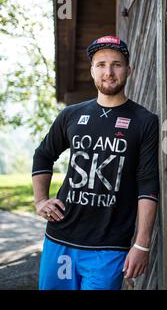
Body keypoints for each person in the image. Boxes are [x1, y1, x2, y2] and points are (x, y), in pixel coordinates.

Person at [32, 35, 159, 290]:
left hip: (109, 245)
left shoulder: (144, 121)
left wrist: (142, 244)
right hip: (61, 237)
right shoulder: (71, 115)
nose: (108, 72)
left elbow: (147, 185)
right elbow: (43, 154)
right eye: (101, 64)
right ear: (92, 71)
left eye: (116, 64)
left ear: (129, 70)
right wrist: (40, 200)